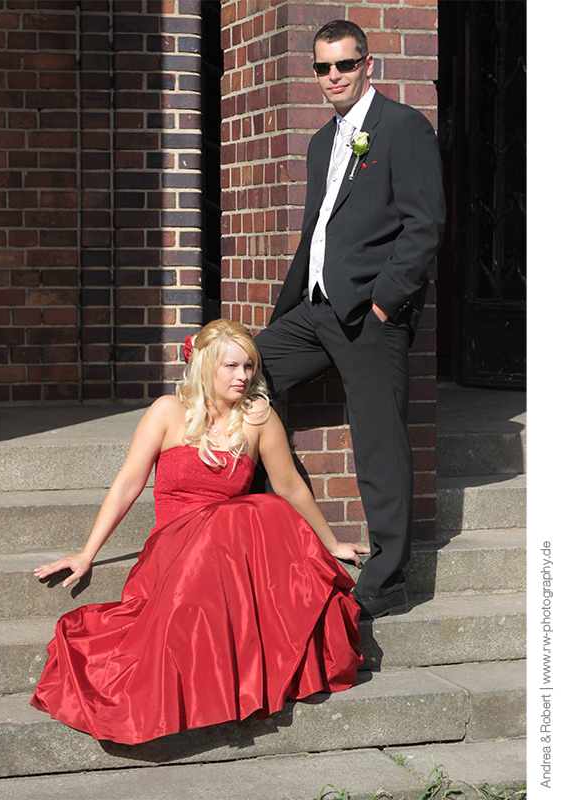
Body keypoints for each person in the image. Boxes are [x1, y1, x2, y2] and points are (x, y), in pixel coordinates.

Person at [30, 319, 368, 745]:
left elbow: (290, 487)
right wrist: (86, 553)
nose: (243, 376)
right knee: (241, 516)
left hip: (226, 550)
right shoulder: (168, 412)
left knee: (259, 509)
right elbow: (128, 484)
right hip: (173, 548)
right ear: (207, 366)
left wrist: (330, 542)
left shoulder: (258, 418)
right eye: (231, 366)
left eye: (249, 366)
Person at [255, 20, 447, 621]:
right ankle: (254, 524)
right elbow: (318, 230)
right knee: (241, 375)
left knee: (378, 439)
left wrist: (385, 301)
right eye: (323, 67)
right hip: (313, 308)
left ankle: (387, 581)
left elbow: (424, 225)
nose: (333, 76)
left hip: (369, 315)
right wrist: (293, 304)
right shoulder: (322, 142)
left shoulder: (403, 127)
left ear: (368, 65)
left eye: (344, 64)